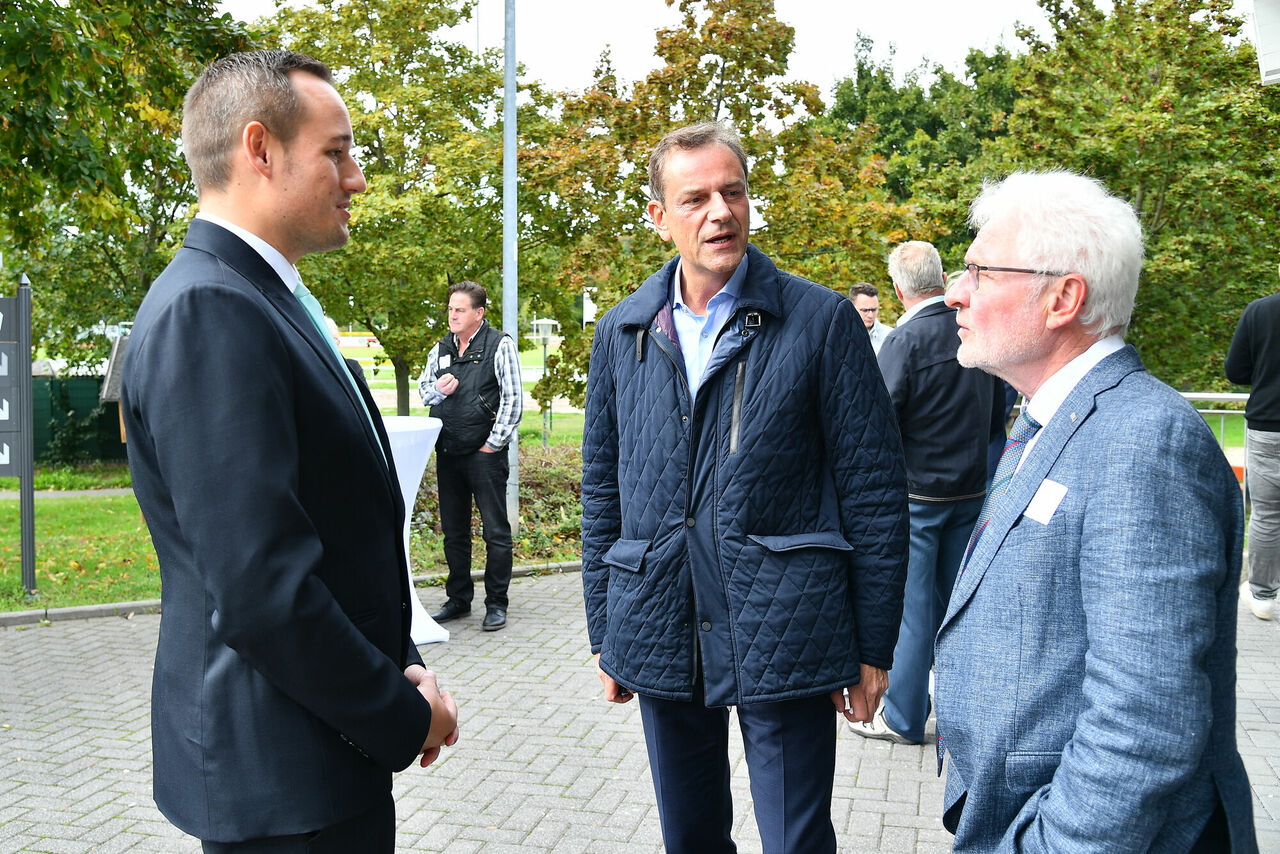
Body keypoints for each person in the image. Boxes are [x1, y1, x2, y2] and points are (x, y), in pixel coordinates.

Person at [121, 50, 459, 853]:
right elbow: (262, 591)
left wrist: (404, 667)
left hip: (309, 758)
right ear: (259, 150)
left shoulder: (261, 297)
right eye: (336, 152)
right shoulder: (213, 308)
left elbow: (339, 534)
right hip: (285, 782)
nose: (359, 177)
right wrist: (404, 713)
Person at [580, 121, 909, 854]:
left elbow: (875, 491)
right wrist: (609, 633)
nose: (719, 212)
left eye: (733, 191)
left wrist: (874, 643)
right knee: (689, 837)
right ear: (657, 216)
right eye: (694, 198)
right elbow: (602, 491)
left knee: (795, 840)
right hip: (661, 618)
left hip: (785, 624)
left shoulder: (820, 322)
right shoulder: (623, 331)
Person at [934, 170, 1257, 852]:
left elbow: (1146, 722)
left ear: (1063, 298)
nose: (955, 293)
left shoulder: (1142, 441)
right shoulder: (1054, 421)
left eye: (980, 273)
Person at [848, 240, 1003, 746]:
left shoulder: (904, 343)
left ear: (896, 289)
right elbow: (999, 411)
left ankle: (905, 716)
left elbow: (877, 425)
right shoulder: (976, 328)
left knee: (912, 613)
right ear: (942, 277)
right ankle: (964, 712)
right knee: (958, 607)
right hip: (971, 491)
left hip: (917, 499)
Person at [417, 281, 523, 632]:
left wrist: (492, 444)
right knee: (454, 532)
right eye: (450, 308)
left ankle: (496, 603)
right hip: (448, 453)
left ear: (479, 313)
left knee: (495, 532)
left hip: (484, 455)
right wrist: (437, 389)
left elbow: (513, 399)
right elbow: (423, 391)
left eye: (459, 309)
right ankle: (459, 600)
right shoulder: (442, 348)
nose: (452, 315)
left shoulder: (499, 345)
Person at [1226, 281, 1280, 621]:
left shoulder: (1260, 311)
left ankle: (1262, 595)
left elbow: (1236, 371)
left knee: (1267, 514)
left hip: (1268, 426)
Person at [850, 280, 890, 354]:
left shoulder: (889, 337)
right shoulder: (840, 334)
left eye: (874, 310)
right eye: (865, 310)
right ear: (852, 308)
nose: (870, 315)